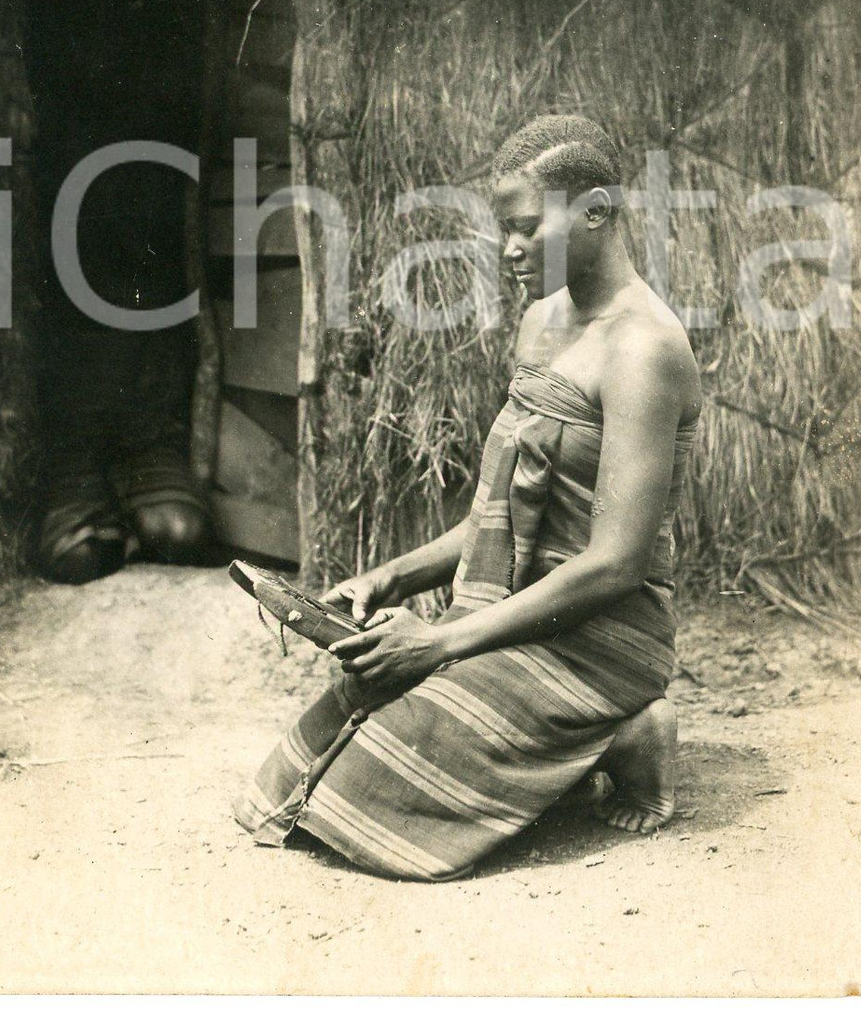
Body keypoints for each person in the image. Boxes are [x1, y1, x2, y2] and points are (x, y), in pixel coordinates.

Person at [234, 114, 701, 880]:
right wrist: (391, 578)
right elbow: (499, 513)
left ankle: (630, 731)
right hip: (510, 611)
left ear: (596, 211)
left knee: (381, 770)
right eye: (504, 230)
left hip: (600, 636)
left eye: (526, 229)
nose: (509, 249)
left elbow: (616, 564)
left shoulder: (644, 351)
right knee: (337, 726)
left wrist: (442, 641)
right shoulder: (541, 323)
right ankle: (565, 752)